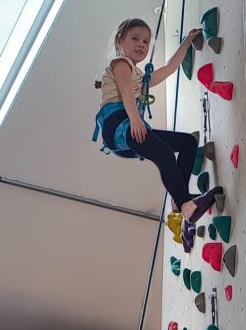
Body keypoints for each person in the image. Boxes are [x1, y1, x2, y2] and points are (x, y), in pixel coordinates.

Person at [93, 18, 222, 223]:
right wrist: (136, 120)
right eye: (135, 38)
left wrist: (187, 41)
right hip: (117, 124)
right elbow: (126, 90)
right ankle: (186, 207)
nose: (141, 45)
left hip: (128, 127)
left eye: (146, 42)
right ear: (119, 41)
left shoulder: (141, 77)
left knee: (187, 143)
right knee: (164, 153)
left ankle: (179, 200)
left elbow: (170, 68)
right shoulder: (119, 64)